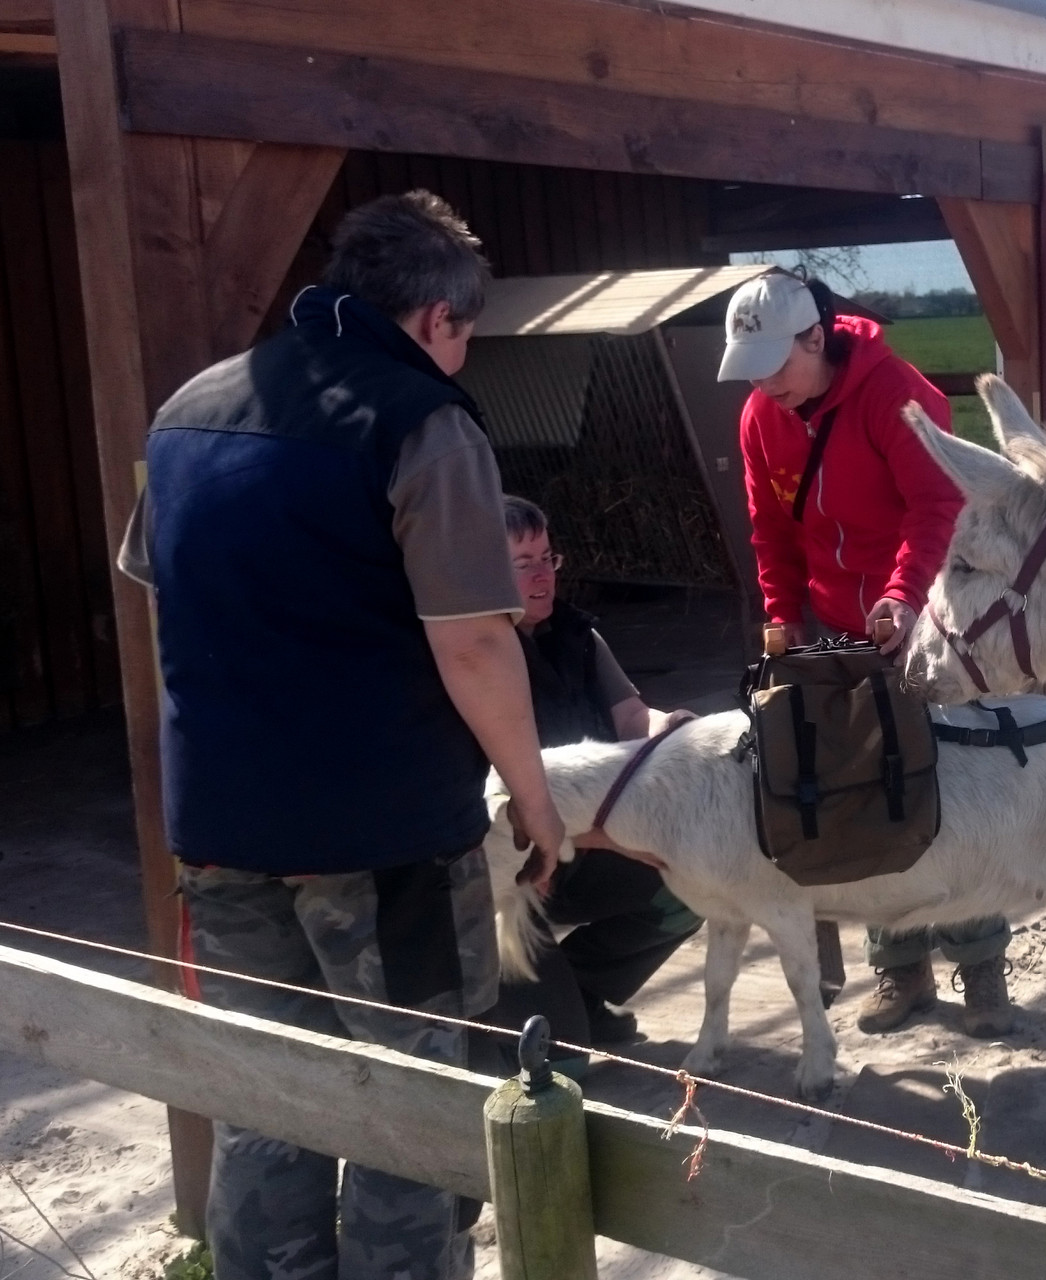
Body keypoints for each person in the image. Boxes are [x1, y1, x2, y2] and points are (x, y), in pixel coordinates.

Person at [117, 191, 565, 1280]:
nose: (461, 358)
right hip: (388, 842)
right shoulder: (423, 422)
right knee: (408, 1104)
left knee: (263, 1097)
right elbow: (473, 646)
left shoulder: (191, 404)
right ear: (435, 321)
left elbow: (151, 580)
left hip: (220, 831)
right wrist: (536, 800)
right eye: (464, 336)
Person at [718, 268, 1014, 1039]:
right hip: (842, 627)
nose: (763, 386)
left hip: (926, 618)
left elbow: (937, 504)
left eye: (775, 366)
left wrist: (903, 595)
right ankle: (901, 970)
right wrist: (783, 616)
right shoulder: (761, 416)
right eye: (751, 371)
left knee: (950, 794)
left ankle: (980, 964)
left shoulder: (895, 394)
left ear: (816, 339)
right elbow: (771, 532)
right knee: (868, 789)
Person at [483, 496, 702, 1077]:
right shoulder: (474, 655)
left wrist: (671, 729)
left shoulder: (578, 635)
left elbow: (632, 716)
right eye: (520, 562)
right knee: (562, 1068)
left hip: (582, 841)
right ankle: (535, 1020)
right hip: (509, 874)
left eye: (546, 556)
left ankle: (581, 988)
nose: (540, 574)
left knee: (696, 884)